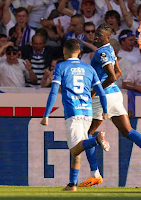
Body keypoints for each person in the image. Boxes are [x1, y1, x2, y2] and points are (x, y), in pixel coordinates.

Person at [78, 23, 141, 187]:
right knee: (128, 131)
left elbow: (112, 76)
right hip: (116, 95)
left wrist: (95, 91)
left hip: (103, 96)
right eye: (95, 35)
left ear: (106, 37)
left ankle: (95, 174)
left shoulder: (101, 53)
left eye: (98, 35)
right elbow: (119, 73)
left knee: (87, 134)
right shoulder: (111, 50)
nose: (95, 37)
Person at [40, 39, 110, 192]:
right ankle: (72, 184)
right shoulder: (89, 69)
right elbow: (101, 93)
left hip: (73, 112)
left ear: (65, 52)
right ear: (79, 52)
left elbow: (53, 92)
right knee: (79, 144)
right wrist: (105, 110)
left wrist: (46, 115)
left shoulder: (61, 67)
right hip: (87, 112)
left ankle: (96, 139)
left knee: (74, 149)